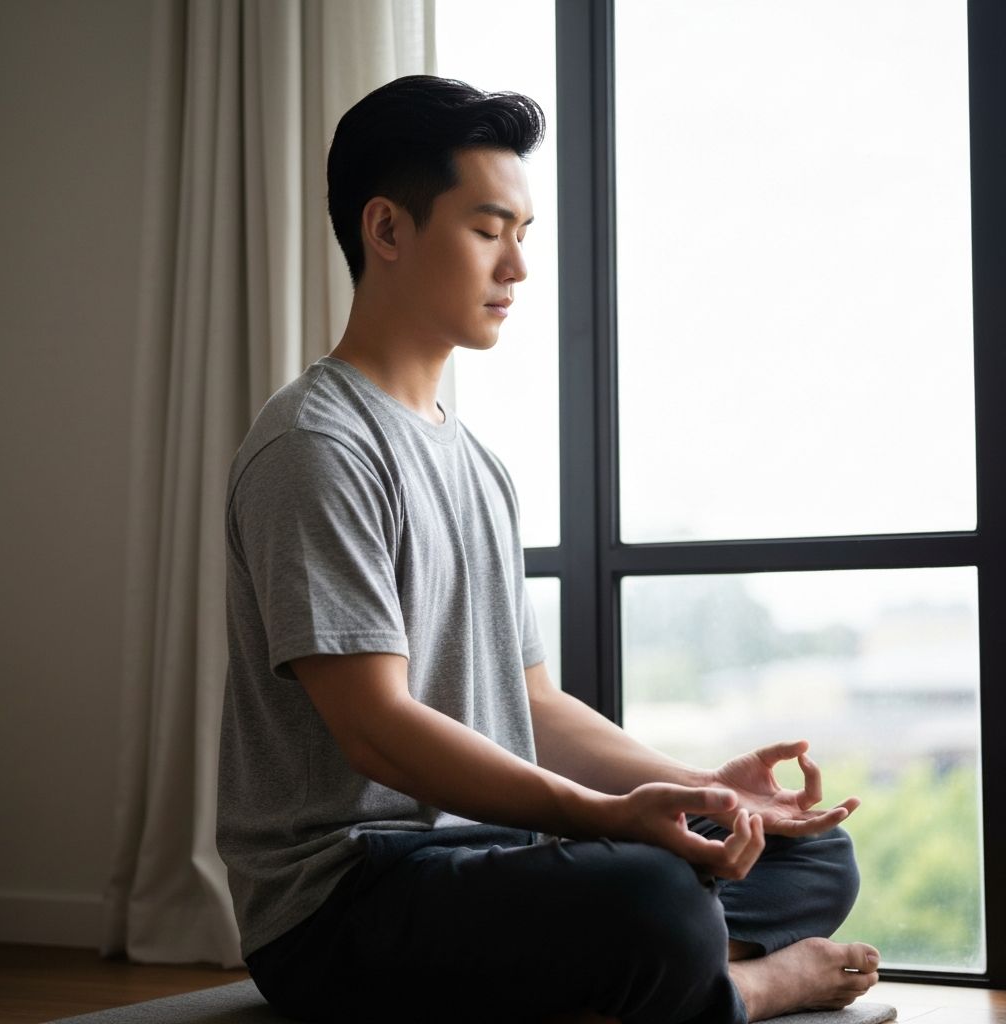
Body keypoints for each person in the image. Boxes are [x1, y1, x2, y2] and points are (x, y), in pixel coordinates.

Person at [217, 75, 880, 1024]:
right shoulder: (316, 447)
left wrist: (701, 788)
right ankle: (735, 986)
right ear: (388, 230)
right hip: (348, 901)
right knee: (656, 902)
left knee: (810, 851)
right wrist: (607, 818)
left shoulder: (476, 463)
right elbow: (375, 726)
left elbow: (533, 705)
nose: (518, 269)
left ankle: (637, 982)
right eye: (490, 231)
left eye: (522, 235)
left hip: (494, 867)